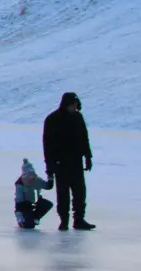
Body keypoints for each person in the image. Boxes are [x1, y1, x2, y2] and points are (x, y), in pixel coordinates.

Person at [43, 92, 95, 231]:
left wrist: (88, 157)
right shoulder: (52, 119)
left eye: (76, 105)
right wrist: (50, 166)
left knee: (80, 193)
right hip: (60, 164)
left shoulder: (78, 117)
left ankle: (79, 219)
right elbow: (47, 145)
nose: (75, 108)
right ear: (66, 104)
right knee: (63, 195)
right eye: (73, 105)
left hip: (76, 162)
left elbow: (84, 138)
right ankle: (63, 221)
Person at [14, 159, 56, 229]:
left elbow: (48, 186)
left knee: (48, 204)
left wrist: (50, 178)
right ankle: (27, 219)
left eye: (32, 174)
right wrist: (19, 217)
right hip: (25, 206)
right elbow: (19, 202)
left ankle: (36, 217)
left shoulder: (37, 180)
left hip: (36, 202)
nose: (31, 177)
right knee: (29, 226)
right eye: (28, 175)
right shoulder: (20, 185)